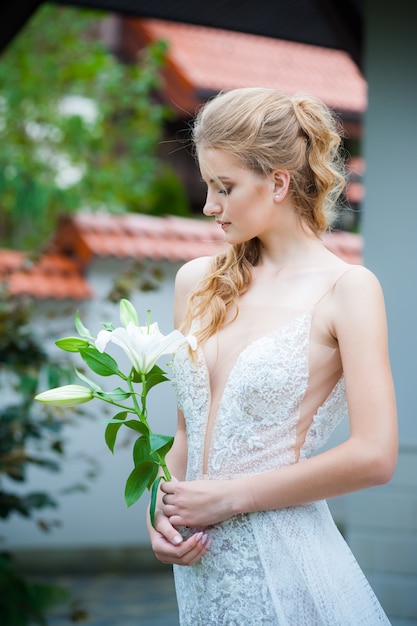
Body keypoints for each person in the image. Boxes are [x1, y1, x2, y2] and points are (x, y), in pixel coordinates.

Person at [146, 87, 398, 625]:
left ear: (279, 181)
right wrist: (159, 516)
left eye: (225, 187)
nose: (210, 206)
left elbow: (375, 455)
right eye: (209, 185)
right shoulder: (196, 283)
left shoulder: (347, 289)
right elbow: (186, 435)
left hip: (289, 568)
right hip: (201, 572)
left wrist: (231, 497)